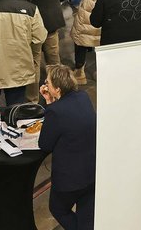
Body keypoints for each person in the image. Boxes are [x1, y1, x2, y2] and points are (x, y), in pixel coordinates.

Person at [38, 65, 97, 230]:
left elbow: (45, 144)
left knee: (58, 209)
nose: (45, 85)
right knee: (86, 217)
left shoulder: (56, 111)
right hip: (91, 172)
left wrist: (49, 105)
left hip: (69, 179)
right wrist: (51, 103)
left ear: (57, 89)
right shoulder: (84, 97)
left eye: (47, 82)